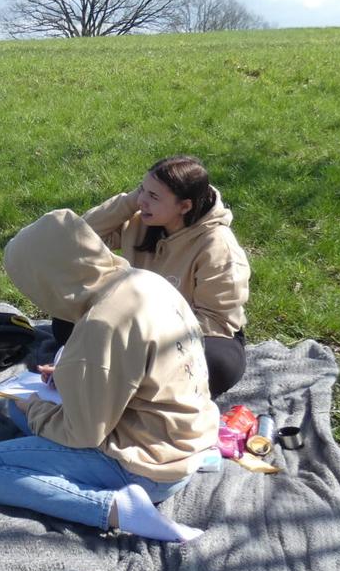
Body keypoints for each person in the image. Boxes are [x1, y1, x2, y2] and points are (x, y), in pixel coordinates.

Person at [0, 209, 220, 542]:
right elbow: (136, 367)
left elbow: (82, 432)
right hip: (186, 436)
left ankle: (118, 507)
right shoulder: (145, 281)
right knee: (14, 406)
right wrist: (71, 375)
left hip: (149, 467)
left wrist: (36, 409)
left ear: (51, 279)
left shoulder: (104, 322)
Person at [53, 155, 250, 397]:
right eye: (142, 190)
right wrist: (129, 202)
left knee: (218, 364)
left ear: (185, 206)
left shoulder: (217, 245)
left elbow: (217, 321)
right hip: (134, 321)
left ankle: (125, 384)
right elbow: (80, 236)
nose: (143, 201)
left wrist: (148, 336)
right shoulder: (141, 221)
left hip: (190, 335)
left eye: (153, 196)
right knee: (64, 321)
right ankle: (123, 380)